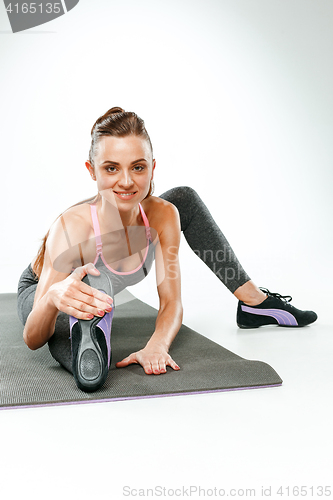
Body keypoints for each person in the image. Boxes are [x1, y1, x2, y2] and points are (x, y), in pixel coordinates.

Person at [17, 107, 317, 392]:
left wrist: (157, 344)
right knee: (73, 331)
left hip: (120, 252)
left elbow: (171, 302)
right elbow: (32, 338)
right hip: (45, 288)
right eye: (111, 168)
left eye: (138, 167)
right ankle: (86, 329)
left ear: (152, 167)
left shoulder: (164, 215)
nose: (126, 181)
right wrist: (52, 299)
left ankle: (253, 301)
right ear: (91, 171)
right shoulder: (72, 227)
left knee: (182, 198)